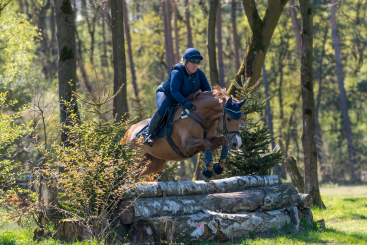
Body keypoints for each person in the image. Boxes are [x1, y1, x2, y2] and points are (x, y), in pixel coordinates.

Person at [144, 48, 211, 146]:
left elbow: (207, 91)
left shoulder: (200, 74)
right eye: (192, 63)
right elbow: (174, 91)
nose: (195, 65)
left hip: (182, 98)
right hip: (167, 94)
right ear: (185, 62)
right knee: (162, 109)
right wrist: (184, 102)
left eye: (197, 63)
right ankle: (149, 134)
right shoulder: (177, 72)